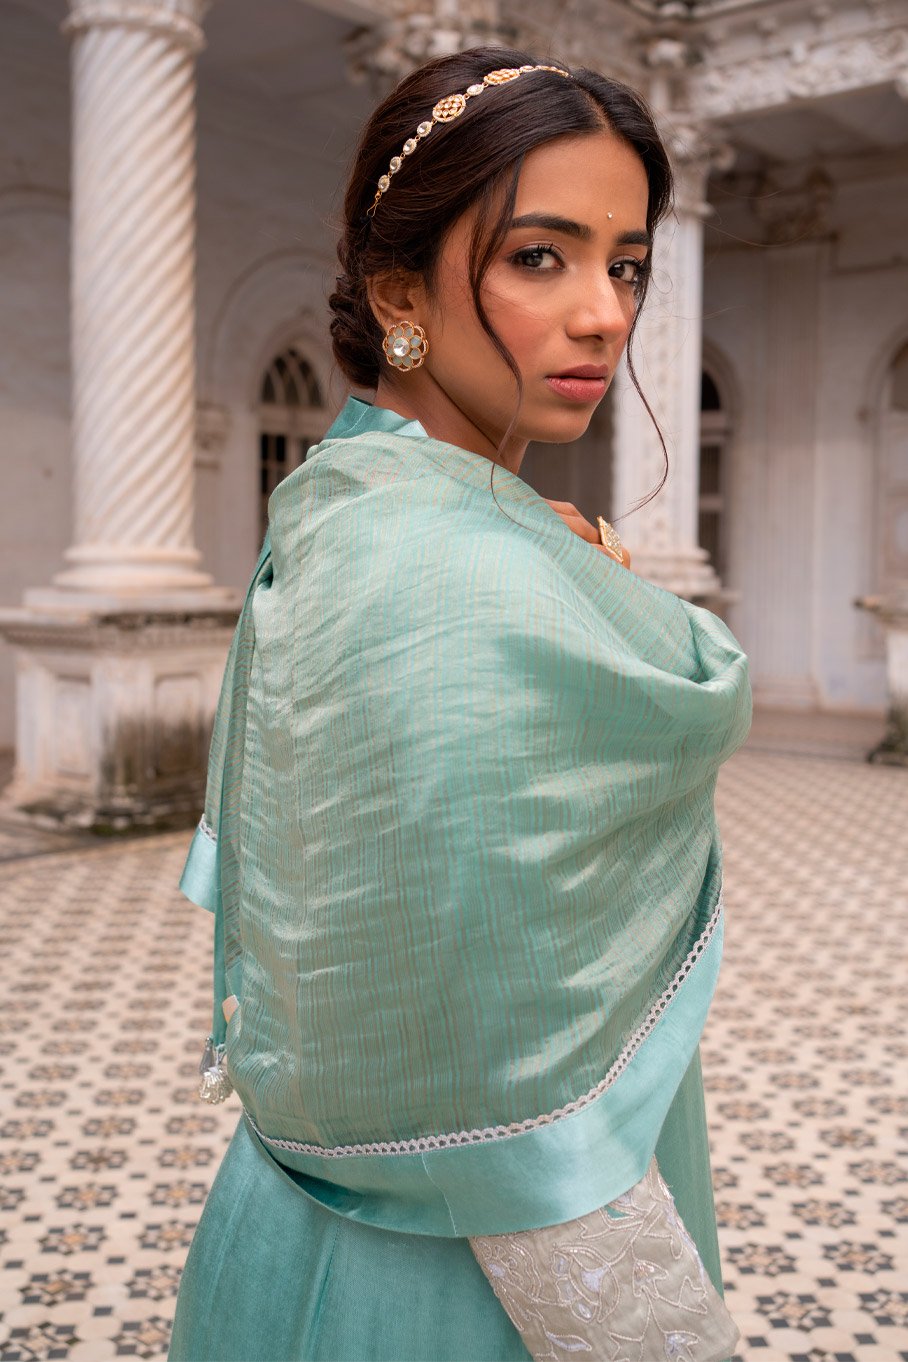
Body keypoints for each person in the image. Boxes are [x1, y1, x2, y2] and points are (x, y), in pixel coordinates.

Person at [168, 44, 752, 1362]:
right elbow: (502, 1034)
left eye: (626, 264)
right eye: (540, 257)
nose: (604, 314)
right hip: (464, 1241)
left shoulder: (353, 503)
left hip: (318, 1201)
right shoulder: (447, 566)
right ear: (399, 292)